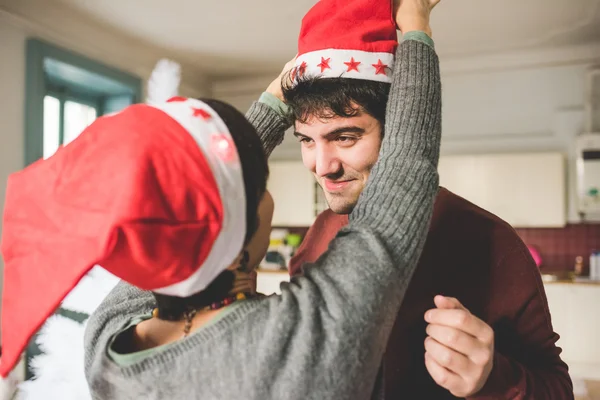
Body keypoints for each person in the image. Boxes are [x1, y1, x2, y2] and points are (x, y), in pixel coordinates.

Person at [0, 1, 443, 399]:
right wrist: (416, 23)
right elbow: (406, 166)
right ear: (243, 231)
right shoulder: (302, 341)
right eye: (255, 185)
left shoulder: (105, 342)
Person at [256, 1, 574, 399]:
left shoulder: (492, 240)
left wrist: (493, 378)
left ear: (401, 127)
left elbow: (557, 387)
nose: (323, 167)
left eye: (345, 137)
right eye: (306, 141)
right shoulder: (319, 235)